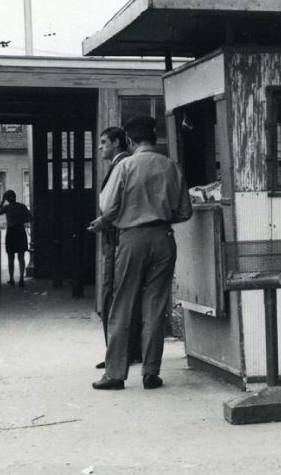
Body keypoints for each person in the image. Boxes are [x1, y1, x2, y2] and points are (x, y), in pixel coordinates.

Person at [90, 115, 192, 390]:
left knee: (123, 303)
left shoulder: (125, 166)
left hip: (132, 239)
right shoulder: (171, 166)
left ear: (131, 141)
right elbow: (185, 211)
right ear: (156, 139)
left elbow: (108, 208)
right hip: (164, 238)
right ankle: (150, 372)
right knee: (156, 306)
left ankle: (115, 374)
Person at [94, 126, 143, 370]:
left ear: (116, 142)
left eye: (104, 142)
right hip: (119, 237)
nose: (100, 146)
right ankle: (127, 351)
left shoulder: (121, 166)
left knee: (111, 297)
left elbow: (113, 204)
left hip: (115, 239)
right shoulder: (123, 165)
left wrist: (105, 220)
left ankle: (117, 353)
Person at [0, 190, 32, 288]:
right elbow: (30, 218)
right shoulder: (22, 206)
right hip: (20, 231)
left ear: (7, 199)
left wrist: (2, 201)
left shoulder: (7, 207)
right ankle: (21, 279)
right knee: (21, 257)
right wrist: (21, 220)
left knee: (10, 257)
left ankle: (11, 279)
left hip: (11, 232)